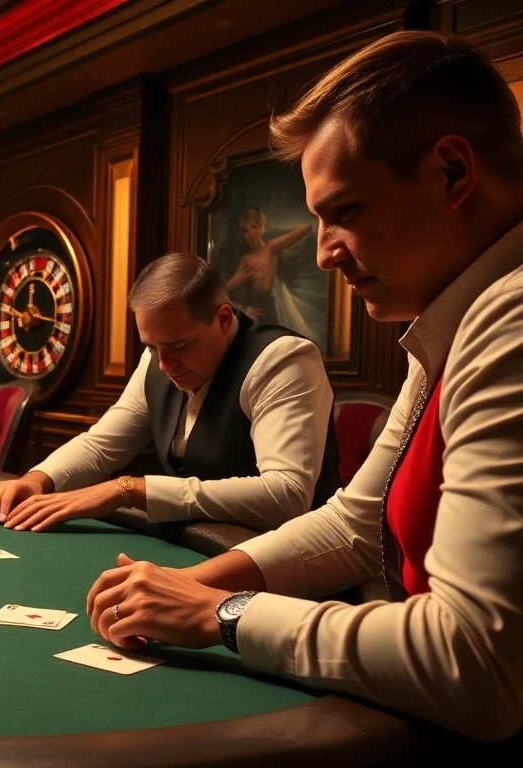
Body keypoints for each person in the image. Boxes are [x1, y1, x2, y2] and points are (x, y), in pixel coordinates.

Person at [84, 31, 523, 743]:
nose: (322, 253)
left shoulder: (512, 321)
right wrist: (198, 583)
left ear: (451, 172)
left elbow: (473, 662)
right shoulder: (455, 320)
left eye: (344, 212)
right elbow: (355, 525)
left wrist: (222, 615)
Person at [0, 252, 341, 533]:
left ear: (223, 319)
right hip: (205, 546)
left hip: (294, 570)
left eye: (179, 345)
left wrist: (128, 489)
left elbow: (286, 496)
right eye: (151, 347)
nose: (164, 364)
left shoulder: (282, 360)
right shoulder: (158, 361)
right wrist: (36, 479)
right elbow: (100, 446)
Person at [225, 206, 316, 337]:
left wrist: (314, 219)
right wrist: (245, 309)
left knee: (275, 340)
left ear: (262, 227)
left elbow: (300, 232)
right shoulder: (246, 260)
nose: (251, 234)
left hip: (270, 306)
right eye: (246, 231)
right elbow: (228, 288)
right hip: (255, 308)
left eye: (254, 227)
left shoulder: (271, 248)